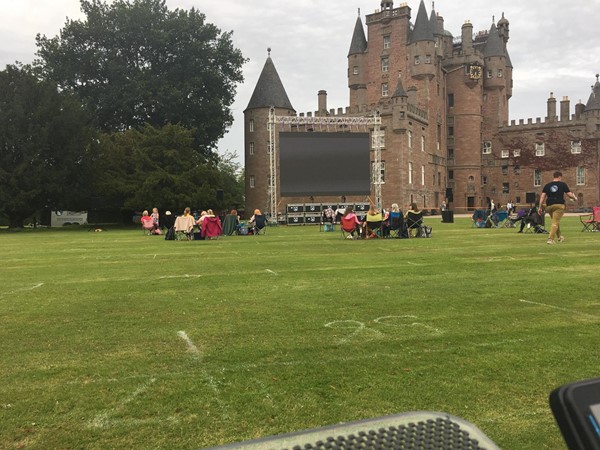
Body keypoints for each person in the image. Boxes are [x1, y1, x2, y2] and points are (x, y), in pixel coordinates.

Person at [539, 171, 577, 244]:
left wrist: (540, 207)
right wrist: (575, 198)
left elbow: (542, 197)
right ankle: (550, 239)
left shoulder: (547, 185)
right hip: (559, 206)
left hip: (549, 206)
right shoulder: (562, 184)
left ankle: (559, 237)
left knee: (555, 221)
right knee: (555, 222)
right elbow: (569, 195)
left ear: (554, 177)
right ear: (560, 177)